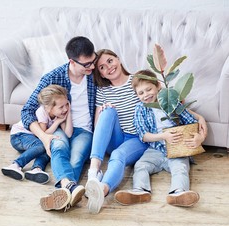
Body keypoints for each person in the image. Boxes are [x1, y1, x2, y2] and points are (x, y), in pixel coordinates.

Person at [20, 36, 98, 211]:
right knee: (59, 147)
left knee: (76, 158)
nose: (92, 67)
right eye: (86, 64)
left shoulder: (95, 75)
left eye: (93, 61)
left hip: (84, 130)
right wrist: (44, 137)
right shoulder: (53, 77)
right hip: (60, 126)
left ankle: (63, 191)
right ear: (72, 61)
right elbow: (27, 110)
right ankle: (68, 189)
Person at [114, 69, 206, 207]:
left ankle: (178, 193)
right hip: (155, 148)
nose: (146, 95)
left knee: (180, 168)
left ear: (158, 86)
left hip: (177, 148)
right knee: (140, 166)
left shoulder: (171, 101)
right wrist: (163, 136)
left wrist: (199, 138)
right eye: (141, 93)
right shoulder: (140, 109)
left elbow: (192, 122)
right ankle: (140, 191)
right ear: (137, 96)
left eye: (148, 89)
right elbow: (143, 135)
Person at [84, 49, 149, 214]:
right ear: (102, 75)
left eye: (110, 61)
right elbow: (99, 127)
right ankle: (94, 172)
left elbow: (161, 94)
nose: (109, 67)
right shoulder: (103, 90)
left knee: (118, 156)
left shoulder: (136, 80)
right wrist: (103, 110)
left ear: (118, 60)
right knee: (108, 111)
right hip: (115, 138)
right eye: (102, 68)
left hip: (137, 138)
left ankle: (102, 190)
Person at [1, 85, 73, 184]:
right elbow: (42, 135)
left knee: (49, 148)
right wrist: (57, 122)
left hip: (32, 140)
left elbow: (68, 134)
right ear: (48, 108)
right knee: (42, 144)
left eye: (67, 105)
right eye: (61, 107)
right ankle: (16, 165)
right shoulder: (42, 112)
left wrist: (69, 114)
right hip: (19, 136)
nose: (65, 109)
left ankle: (36, 169)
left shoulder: (60, 114)